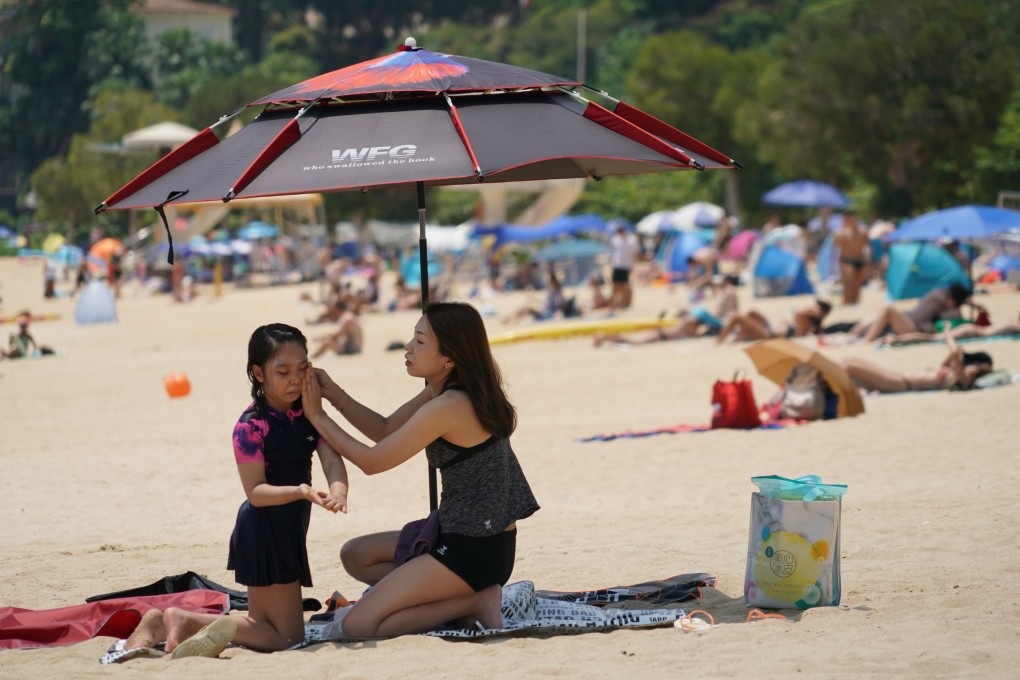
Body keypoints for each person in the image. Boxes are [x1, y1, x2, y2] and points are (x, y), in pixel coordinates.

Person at [300, 301, 539, 638]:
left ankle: (471, 602)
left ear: (449, 358)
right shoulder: (444, 390)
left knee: (357, 625)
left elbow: (373, 461)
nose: (409, 348)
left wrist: (317, 416)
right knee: (355, 555)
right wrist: (334, 395)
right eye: (413, 337)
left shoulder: (450, 406)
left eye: (421, 341)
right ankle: (445, 596)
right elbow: (384, 429)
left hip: (473, 550)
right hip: (466, 533)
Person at [127, 324, 349, 654]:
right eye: (282, 371)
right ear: (258, 374)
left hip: (287, 525)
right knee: (289, 638)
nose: (294, 379)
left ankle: (177, 623)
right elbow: (255, 492)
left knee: (265, 624)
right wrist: (300, 492)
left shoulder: (305, 412)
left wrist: (338, 489)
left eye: (302, 368)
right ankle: (184, 622)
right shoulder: (251, 426)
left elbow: (331, 458)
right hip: (265, 528)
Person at [593, 275, 739, 347]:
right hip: (662, 335)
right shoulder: (690, 325)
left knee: (632, 340)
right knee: (633, 341)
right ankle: (605, 337)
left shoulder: (688, 322)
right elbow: (695, 334)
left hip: (663, 332)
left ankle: (606, 337)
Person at [841, 331, 994, 393]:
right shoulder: (954, 373)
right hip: (896, 376)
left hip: (900, 384)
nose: (972, 369)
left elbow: (954, 353)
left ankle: (821, 376)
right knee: (851, 362)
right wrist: (956, 356)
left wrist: (948, 332)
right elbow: (947, 362)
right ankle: (822, 378)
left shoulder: (963, 380)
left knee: (851, 366)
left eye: (976, 370)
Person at [851, 282, 972, 343]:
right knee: (863, 325)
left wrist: (970, 305)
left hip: (912, 328)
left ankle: (867, 341)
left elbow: (957, 315)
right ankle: (856, 336)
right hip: (907, 321)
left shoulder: (944, 302)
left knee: (888, 309)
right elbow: (954, 310)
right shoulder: (940, 297)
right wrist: (969, 303)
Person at [715, 298, 833, 344]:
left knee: (736, 317)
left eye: (816, 308)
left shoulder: (808, 324)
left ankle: (718, 341)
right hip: (768, 326)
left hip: (766, 335)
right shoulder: (807, 320)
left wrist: (811, 312)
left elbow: (798, 314)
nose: (812, 308)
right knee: (752, 312)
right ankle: (741, 335)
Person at [833, 211, 869, 305]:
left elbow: (867, 245)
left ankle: (854, 302)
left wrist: (868, 259)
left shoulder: (863, 231)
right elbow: (836, 245)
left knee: (857, 283)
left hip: (860, 259)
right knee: (848, 282)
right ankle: (846, 302)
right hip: (847, 260)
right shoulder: (843, 232)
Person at [608, 224, 640, 312]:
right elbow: (613, 253)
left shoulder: (632, 240)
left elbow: (636, 253)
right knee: (617, 285)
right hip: (617, 265)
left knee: (625, 285)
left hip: (626, 265)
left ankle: (625, 302)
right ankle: (617, 303)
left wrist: (634, 265)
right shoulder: (615, 239)